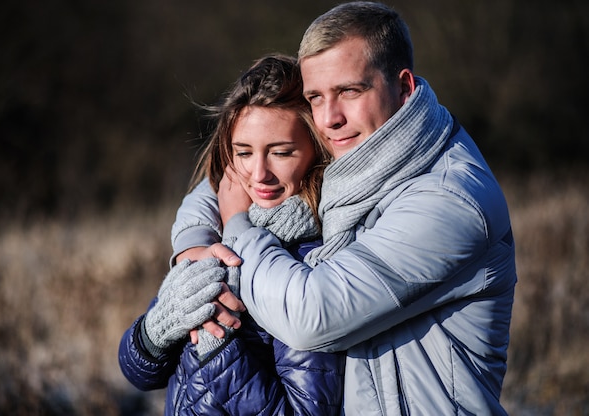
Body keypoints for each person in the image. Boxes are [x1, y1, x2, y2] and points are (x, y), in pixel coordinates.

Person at [170, 2, 517, 415]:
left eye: (350, 91)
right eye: (316, 97)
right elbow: (237, 180)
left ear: (403, 87)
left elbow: (312, 316)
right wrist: (193, 243)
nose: (329, 118)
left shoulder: (449, 200)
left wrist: (238, 229)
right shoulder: (366, 145)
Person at [118, 54, 345, 415]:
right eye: (243, 152)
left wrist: (216, 345)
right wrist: (159, 328)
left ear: (316, 151)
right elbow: (139, 372)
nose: (259, 174)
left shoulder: (315, 264)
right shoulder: (215, 238)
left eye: (281, 152)